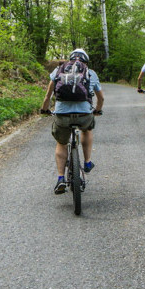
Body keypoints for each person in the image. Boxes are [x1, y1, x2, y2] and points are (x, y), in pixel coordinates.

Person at [41, 48, 104, 194]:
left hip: (62, 115)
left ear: (70, 59)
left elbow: (48, 96)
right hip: (84, 115)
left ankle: (60, 178)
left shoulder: (58, 70)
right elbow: (101, 98)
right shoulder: (90, 72)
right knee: (87, 129)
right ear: (85, 61)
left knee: (61, 143)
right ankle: (87, 162)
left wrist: (44, 109)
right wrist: (97, 110)